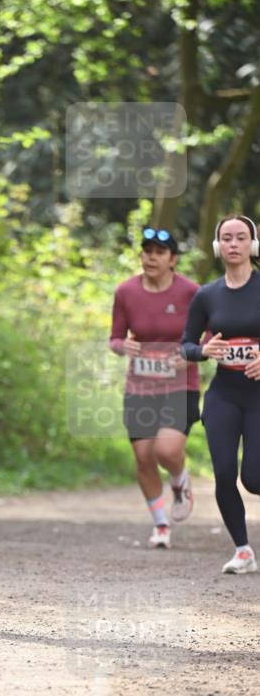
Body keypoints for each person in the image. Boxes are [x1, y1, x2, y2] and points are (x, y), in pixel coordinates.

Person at [110, 228, 200, 549]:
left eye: (160, 252)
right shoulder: (126, 292)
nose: (151, 256)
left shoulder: (192, 293)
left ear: (173, 260)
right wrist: (124, 348)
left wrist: (188, 353)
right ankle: (161, 524)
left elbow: (209, 338)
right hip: (140, 387)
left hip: (181, 385)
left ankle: (179, 479)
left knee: (167, 450)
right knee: (144, 457)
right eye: (147, 250)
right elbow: (116, 339)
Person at [182, 215, 260, 574]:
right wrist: (203, 352)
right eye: (226, 238)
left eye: (241, 237)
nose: (233, 244)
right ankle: (243, 550)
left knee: (255, 478)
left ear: (252, 244)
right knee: (225, 472)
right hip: (224, 395)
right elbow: (185, 345)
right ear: (217, 246)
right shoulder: (206, 295)